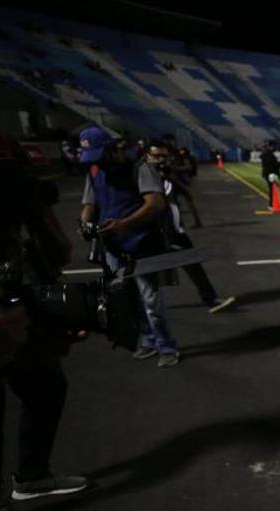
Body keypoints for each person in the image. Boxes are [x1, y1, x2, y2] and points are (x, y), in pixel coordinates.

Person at [0, 117, 88, 511]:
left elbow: (49, 245)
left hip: (9, 295)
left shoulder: (11, 202)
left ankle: (31, 476)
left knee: (47, 385)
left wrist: (55, 308)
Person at [79, 126, 180, 367]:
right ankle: (149, 339)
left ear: (112, 149)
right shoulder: (94, 172)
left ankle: (166, 345)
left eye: (99, 155)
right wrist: (84, 223)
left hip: (143, 243)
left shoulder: (139, 168)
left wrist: (124, 224)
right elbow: (89, 204)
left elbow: (155, 203)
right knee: (128, 298)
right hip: (112, 245)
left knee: (150, 300)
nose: (97, 162)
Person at [145, 141, 234, 313]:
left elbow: (186, 194)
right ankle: (140, 308)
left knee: (192, 265)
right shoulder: (140, 179)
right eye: (157, 156)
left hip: (172, 231)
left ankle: (211, 299)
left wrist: (193, 219)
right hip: (152, 233)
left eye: (164, 156)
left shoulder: (167, 177)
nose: (161, 160)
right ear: (147, 156)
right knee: (147, 273)